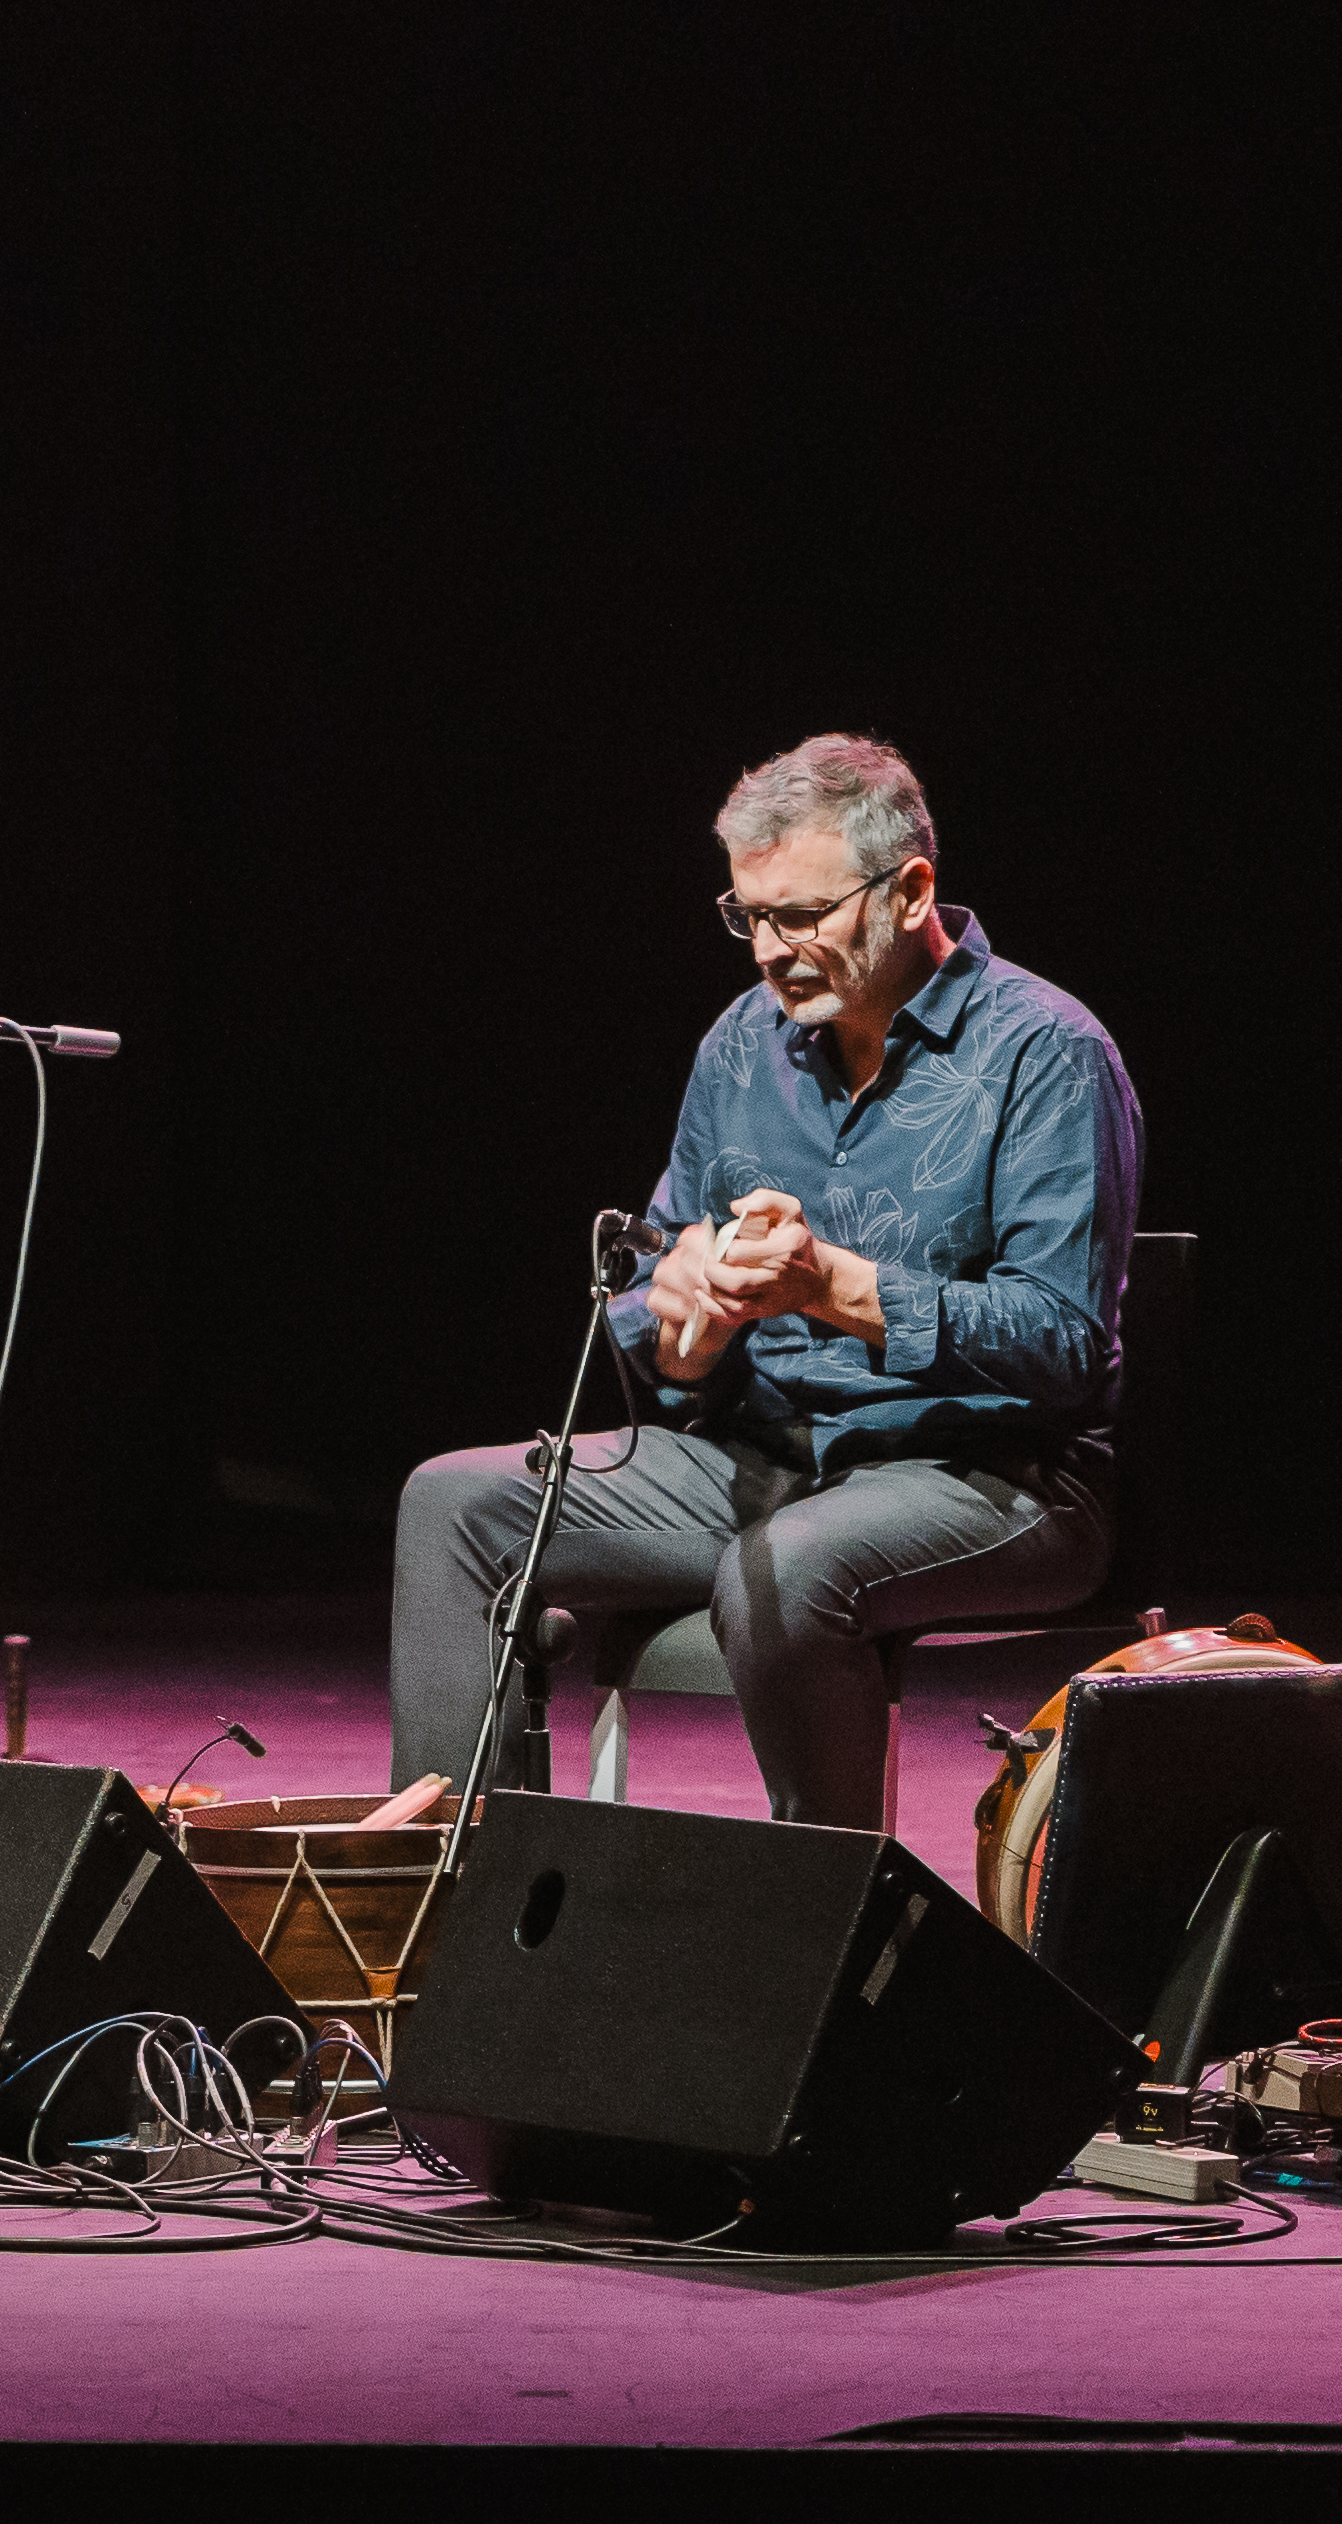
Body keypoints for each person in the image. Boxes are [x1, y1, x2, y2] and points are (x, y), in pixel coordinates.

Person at [389, 734, 1134, 1828]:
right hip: (762, 1460)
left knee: (779, 1571)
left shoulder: (1045, 1052)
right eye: (748, 917)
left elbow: (1062, 1340)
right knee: (453, 1505)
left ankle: (821, 1939)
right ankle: (450, 1916)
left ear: (909, 888)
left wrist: (829, 1285)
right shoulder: (741, 1048)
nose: (768, 951)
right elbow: (653, 1298)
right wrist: (686, 1317)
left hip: (990, 1476)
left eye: (799, 916)